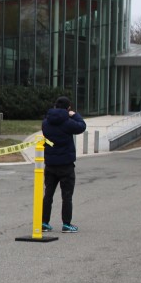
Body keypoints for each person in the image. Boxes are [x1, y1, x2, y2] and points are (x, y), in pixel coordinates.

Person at [41, 96, 86, 233]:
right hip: (66, 164)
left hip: (50, 164)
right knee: (66, 196)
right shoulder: (68, 123)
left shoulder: (46, 123)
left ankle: (44, 222)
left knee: (48, 194)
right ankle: (66, 224)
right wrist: (74, 115)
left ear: (55, 106)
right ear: (68, 108)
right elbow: (82, 126)